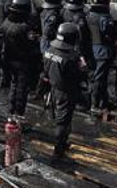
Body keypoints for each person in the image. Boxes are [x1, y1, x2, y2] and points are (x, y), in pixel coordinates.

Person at [44, 22, 88, 162]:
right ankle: (59, 150)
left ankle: (62, 143)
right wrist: (83, 68)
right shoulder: (71, 58)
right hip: (67, 92)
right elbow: (77, 77)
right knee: (63, 121)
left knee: (59, 117)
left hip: (53, 87)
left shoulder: (49, 50)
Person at [1, 0, 40, 117]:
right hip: (22, 61)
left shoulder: (6, 22)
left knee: (14, 84)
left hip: (9, 59)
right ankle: (18, 114)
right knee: (21, 89)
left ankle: (12, 109)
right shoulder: (24, 28)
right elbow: (31, 44)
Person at [87, 0, 117, 112]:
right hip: (103, 51)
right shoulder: (105, 18)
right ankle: (95, 104)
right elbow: (110, 35)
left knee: (96, 78)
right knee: (100, 79)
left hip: (92, 50)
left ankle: (102, 102)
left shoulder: (89, 15)